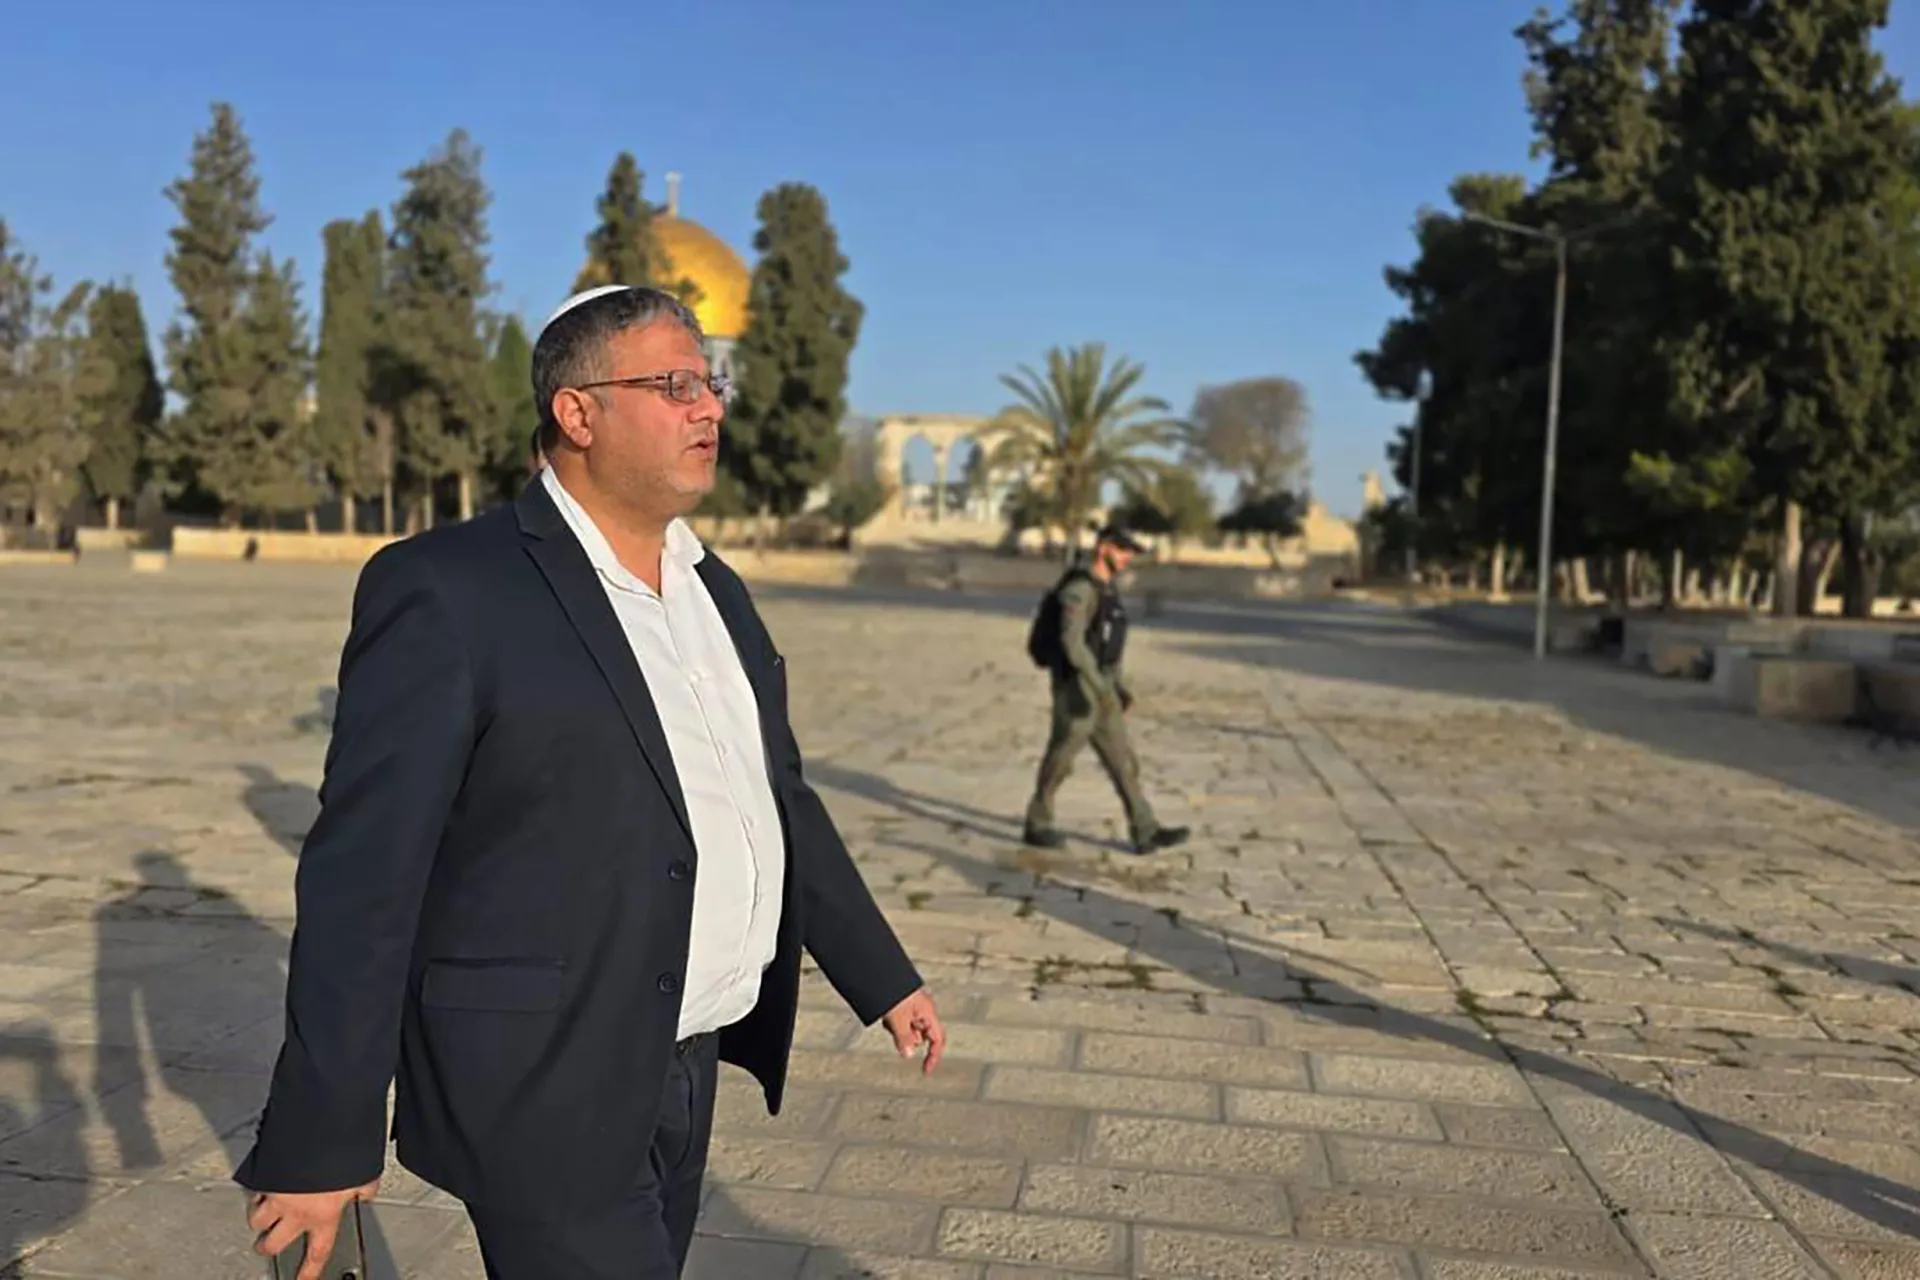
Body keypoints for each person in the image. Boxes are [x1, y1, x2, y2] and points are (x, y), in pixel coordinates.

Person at [236, 284, 946, 1280]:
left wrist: (883, 975)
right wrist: (321, 1136)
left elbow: (779, 796)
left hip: (687, 1064)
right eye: (676, 385)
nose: (710, 407)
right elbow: (366, 877)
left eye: (711, 383)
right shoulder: (450, 587)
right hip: (542, 1081)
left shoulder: (714, 591)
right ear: (578, 412)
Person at [1022, 523, 1189, 855]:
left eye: (1130, 552)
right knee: (1062, 758)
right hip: (1077, 689)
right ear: (1103, 548)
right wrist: (1097, 685)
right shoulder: (1080, 588)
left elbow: (1107, 645)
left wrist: (1117, 688)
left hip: (1102, 688)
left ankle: (1145, 829)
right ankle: (1037, 823)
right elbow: (1073, 643)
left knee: (1122, 760)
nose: (1127, 557)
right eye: (1122, 550)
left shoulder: (1106, 590)